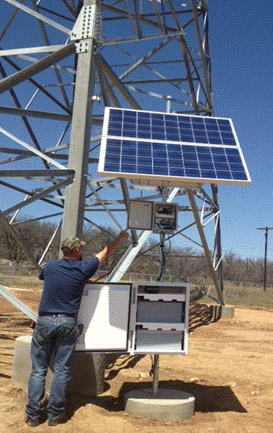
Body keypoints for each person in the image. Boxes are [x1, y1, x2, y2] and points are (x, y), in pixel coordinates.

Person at [25, 230, 128, 427]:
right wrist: (120, 238)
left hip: (44, 321)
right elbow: (104, 253)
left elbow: (54, 281)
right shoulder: (83, 268)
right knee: (62, 371)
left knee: (38, 371)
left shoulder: (51, 266)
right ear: (78, 250)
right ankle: (55, 416)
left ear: (64, 250)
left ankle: (32, 416)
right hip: (66, 322)